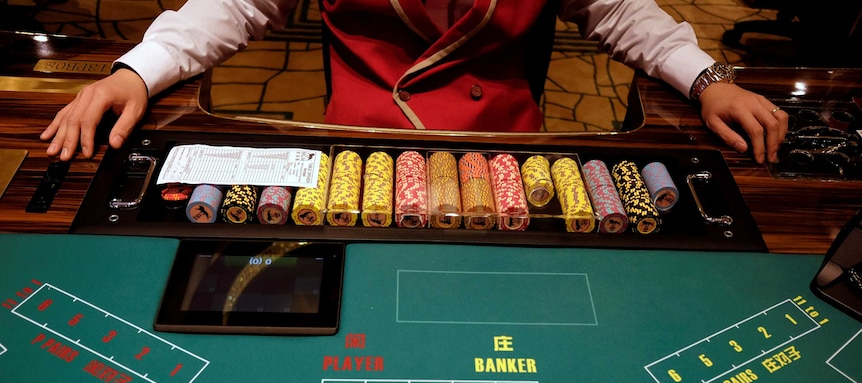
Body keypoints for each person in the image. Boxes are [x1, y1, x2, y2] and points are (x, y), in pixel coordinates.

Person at [41, 0, 788, 164]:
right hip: (356, 154)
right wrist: (138, 70)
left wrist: (709, 77)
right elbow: (237, 2)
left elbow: (620, 9)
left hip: (507, 159)